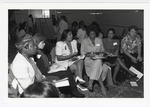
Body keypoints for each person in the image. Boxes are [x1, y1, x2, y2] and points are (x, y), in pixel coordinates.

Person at [32, 33, 85, 97]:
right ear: (37, 43)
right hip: (45, 74)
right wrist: (52, 68)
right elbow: (42, 70)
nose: (44, 44)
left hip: (48, 70)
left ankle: (72, 91)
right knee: (67, 72)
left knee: (66, 70)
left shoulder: (40, 52)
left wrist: (52, 66)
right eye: (42, 42)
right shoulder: (36, 55)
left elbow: (45, 64)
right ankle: (74, 91)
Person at [81, 26, 113, 96]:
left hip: (98, 59)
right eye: (91, 34)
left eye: (94, 34)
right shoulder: (84, 41)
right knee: (98, 64)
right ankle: (102, 86)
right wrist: (89, 54)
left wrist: (103, 53)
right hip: (89, 60)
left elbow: (102, 50)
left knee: (98, 61)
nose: (92, 36)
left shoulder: (99, 40)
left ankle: (90, 82)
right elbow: (82, 52)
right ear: (88, 34)